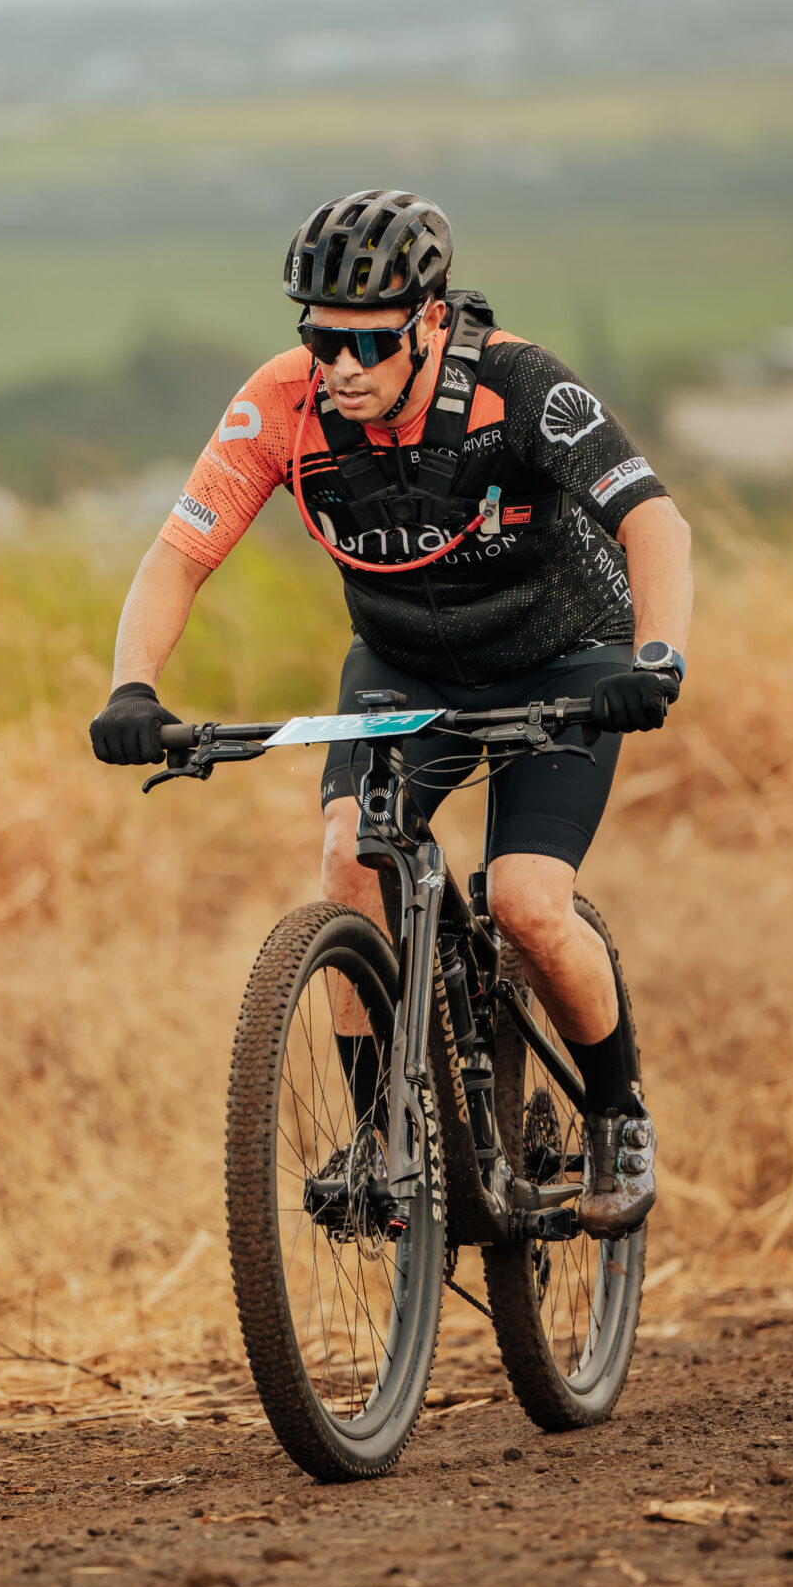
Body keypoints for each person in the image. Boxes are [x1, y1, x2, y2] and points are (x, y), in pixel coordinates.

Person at [89, 189, 691, 1234]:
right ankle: (381, 1136)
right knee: (349, 859)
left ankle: (616, 1111)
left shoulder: (517, 385)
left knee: (526, 903)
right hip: (406, 666)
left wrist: (656, 658)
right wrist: (130, 686)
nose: (343, 364)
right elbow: (179, 554)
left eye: (369, 340)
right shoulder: (282, 402)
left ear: (431, 319)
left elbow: (655, 522)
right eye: (322, 338)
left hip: (565, 657)